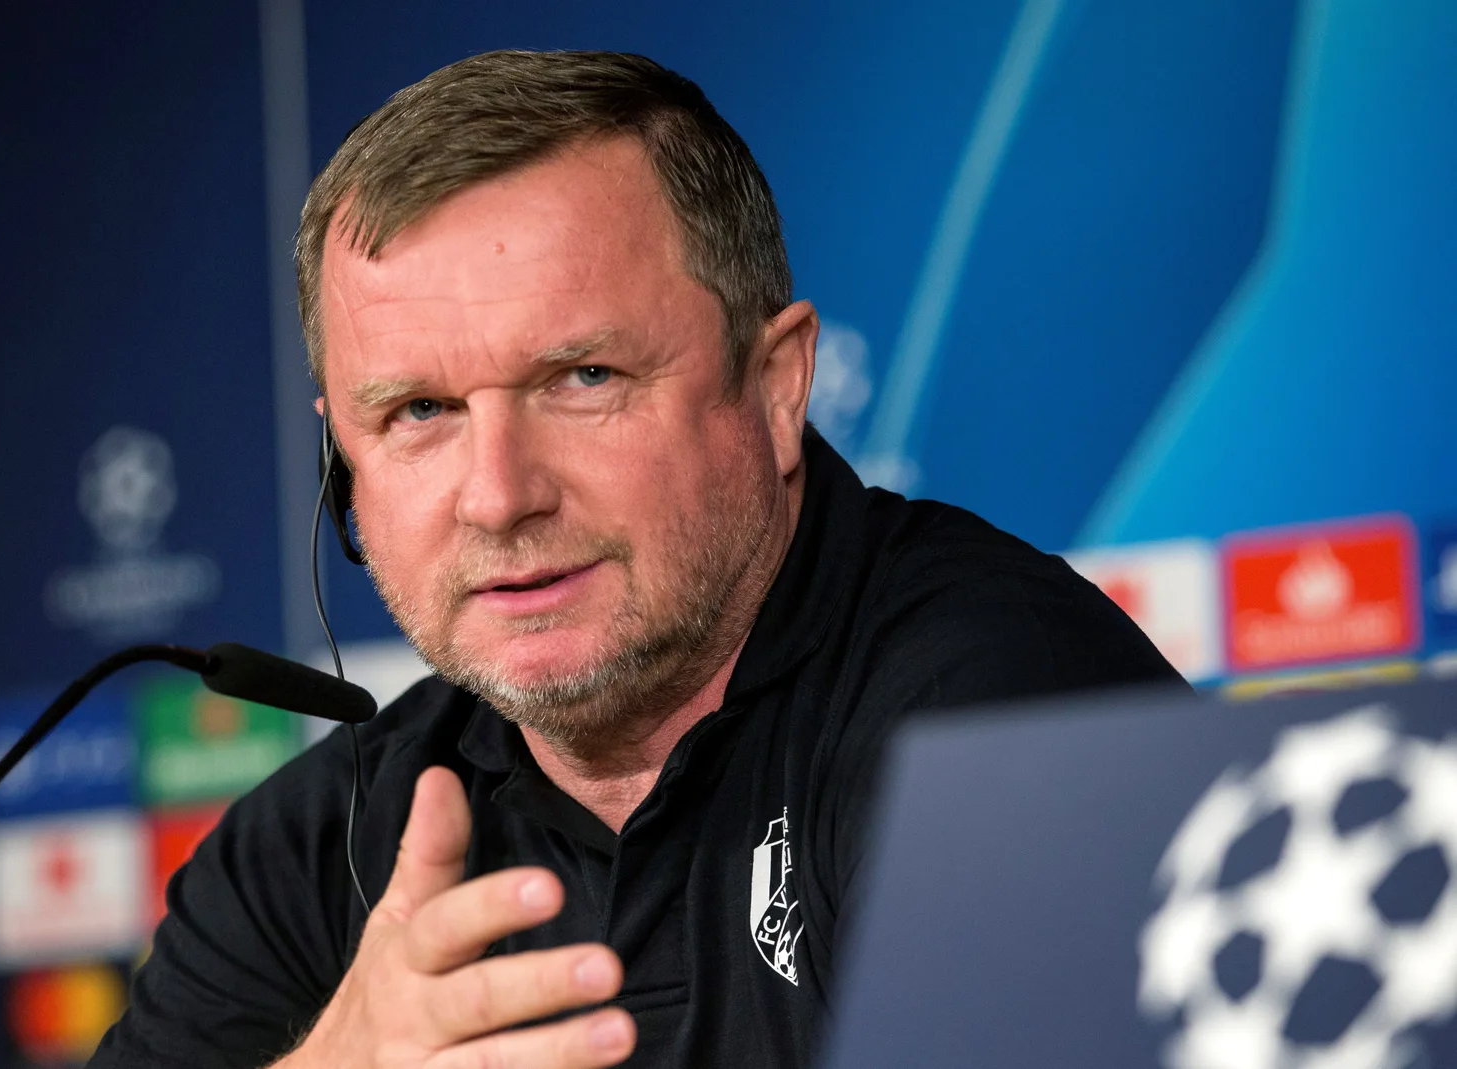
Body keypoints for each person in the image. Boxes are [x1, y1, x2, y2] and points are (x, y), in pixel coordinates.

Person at [90, 49, 1184, 1069]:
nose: (499, 494)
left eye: (584, 378)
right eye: (421, 410)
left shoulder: (997, 708)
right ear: (344, 460)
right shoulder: (317, 850)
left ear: (775, 385)